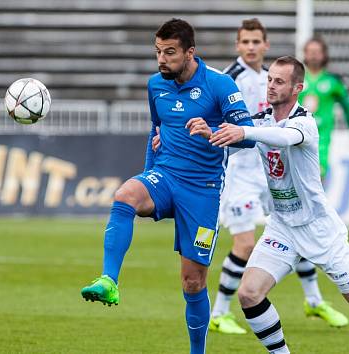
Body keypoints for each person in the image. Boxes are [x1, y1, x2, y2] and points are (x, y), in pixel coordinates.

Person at [207, 56, 349, 354]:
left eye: (279, 81)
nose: (271, 86)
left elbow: (283, 137)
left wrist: (244, 132)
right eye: (269, 80)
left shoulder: (304, 122)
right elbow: (234, 135)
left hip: (320, 230)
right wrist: (203, 133)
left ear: (297, 88)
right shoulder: (261, 121)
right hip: (282, 227)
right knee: (249, 294)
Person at [80, 18, 255, 354]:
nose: (162, 59)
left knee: (193, 282)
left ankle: (197, 351)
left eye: (170, 52)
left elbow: (247, 137)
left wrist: (212, 132)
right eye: (158, 51)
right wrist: (149, 174)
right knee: (126, 195)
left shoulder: (220, 85)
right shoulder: (155, 86)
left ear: (191, 52)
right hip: (165, 176)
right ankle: (109, 281)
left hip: (203, 191)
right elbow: (155, 130)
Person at [210, 19, 347, 334]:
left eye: (256, 41)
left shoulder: (268, 78)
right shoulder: (231, 77)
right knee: (244, 245)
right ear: (237, 45)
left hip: (268, 171)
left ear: (266, 45)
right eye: (245, 42)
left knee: (294, 226)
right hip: (240, 173)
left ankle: (313, 300)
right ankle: (219, 312)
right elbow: (212, 113)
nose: (251, 47)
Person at [299, 36, 349, 182]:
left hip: (321, 138)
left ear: (324, 54)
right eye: (310, 51)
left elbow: (347, 107)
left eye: (317, 52)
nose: (313, 55)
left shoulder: (333, 81)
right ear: (305, 54)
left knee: (317, 177)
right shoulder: (296, 78)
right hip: (297, 132)